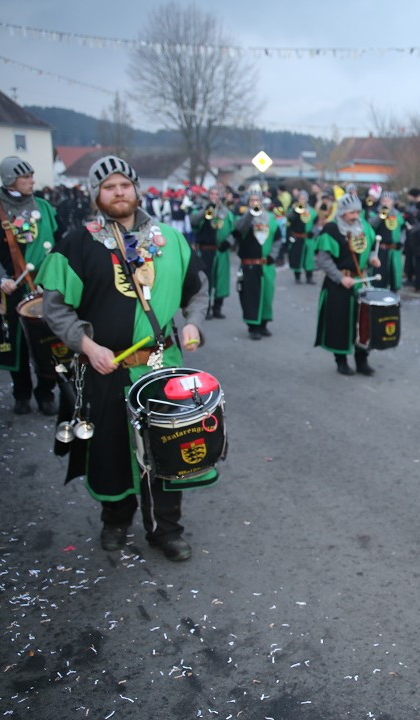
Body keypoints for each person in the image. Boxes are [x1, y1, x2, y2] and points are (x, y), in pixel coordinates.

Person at [36, 155, 208, 561]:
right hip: (107, 367)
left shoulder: (171, 239)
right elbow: (54, 307)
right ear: (96, 194)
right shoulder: (78, 244)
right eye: (109, 187)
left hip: (161, 367)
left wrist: (193, 323)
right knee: (112, 448)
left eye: (124, 185)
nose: (118, 192)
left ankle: (166, 529)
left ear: (136, 189)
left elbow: (197, 290)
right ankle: (115, 519)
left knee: (168, 447)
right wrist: (87, 346)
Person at [0, 156, 62, 415]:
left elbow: (60, 245)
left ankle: (46, 393)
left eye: (31, 176)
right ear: (10, 180)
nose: (32, 181)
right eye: (26, 177)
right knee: (15, 345)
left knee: (48, 343)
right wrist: (0, 278)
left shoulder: (44, 207)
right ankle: (21, 393)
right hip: (11, 288)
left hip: (44, 288)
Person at [313, 193, 382, 376]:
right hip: (339, 284)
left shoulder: (364, 226)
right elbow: (323, 260)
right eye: (351, 212)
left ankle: (362, 361)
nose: (355, 216)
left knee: (363, 324)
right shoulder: (331, 229)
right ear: (342, 212)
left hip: (361, 283)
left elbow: (372, 248)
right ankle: (341, 360)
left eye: (357, 211)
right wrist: (340, 278)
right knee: (340, 323)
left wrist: (373, 259)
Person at [233, 189, 280, 340]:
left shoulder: (270, 218)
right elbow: (238, 230)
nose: (255, 203)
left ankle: (264, 324)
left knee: (267, 295)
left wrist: (273, 254)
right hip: (250, 265)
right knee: (251, 297)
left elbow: (278, 238)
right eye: (251, 200)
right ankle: (253, 326)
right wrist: (249, 214)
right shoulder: (244, 218)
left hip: (266, 265)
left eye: (257, 200)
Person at [189, 185, 234, 319]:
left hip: (221, 250)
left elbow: (234, 230)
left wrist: (229, 242)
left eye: (216, 194)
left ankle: (217, 308)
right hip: (205, 250)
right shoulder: (201, 209)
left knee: (221, 280)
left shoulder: (226, 212)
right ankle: (206, 308)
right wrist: (205, 211)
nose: (214, 197)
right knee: (206, 280)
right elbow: (193, 221)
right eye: (212, 194)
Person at [284, 190, 315, 284]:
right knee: (297, 257)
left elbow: (316, 223)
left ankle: (309, 277)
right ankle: (297, 277)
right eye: (301, 198)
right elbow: (289, 219)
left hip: (308, 238)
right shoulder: (293, 209)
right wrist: (295, 211)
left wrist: (313, 232)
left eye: (304, 198)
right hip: (297, 237)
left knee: (309, 259)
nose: (302, 200)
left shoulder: (311, 211)